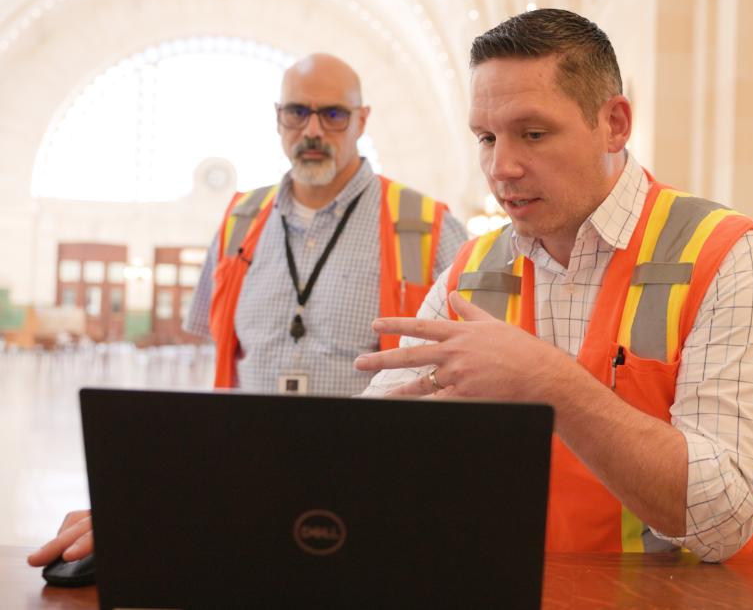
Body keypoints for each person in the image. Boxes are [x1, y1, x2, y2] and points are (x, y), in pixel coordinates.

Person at [355, 8, 753, 563]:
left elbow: (726, 518)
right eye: (486, 137)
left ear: (614, 123)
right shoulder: (469, 271)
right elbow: (375, 456)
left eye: (533, 134)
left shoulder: (729, 255)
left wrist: (549, 383)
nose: (502, 167)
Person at [27, 53, 468, 569]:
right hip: (251, 474)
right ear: (277, 117)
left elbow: (464, 374)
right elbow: (218, 357)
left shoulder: (425, 226)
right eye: (297, 112)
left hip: (372, 477)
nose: (312, 129)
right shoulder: (240, 221)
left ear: (361, 120)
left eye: (333, 115)